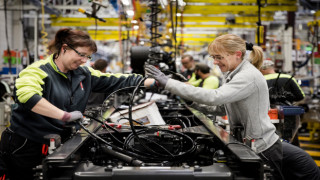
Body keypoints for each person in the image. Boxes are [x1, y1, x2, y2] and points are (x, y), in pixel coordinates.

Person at [0, 28, 154, 180]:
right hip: (26, 145)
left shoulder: (83, 73)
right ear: (64, 48)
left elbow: (116, 80)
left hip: (57, 143)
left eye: (88, 57)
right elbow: (28, 97)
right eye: (81, 55)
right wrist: (64, 115)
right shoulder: (37, 71)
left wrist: (155, 82)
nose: (84, 61)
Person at [145, 34, 283, 179]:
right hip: (249, 145)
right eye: (213, 57)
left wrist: (169, 83)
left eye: (219, 57)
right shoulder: (234, 74)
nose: (215, 62)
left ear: (237, 54)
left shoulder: (248, 76)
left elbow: (214, 97)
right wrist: (192, 102)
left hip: (263, 149)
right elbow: (222, 108)